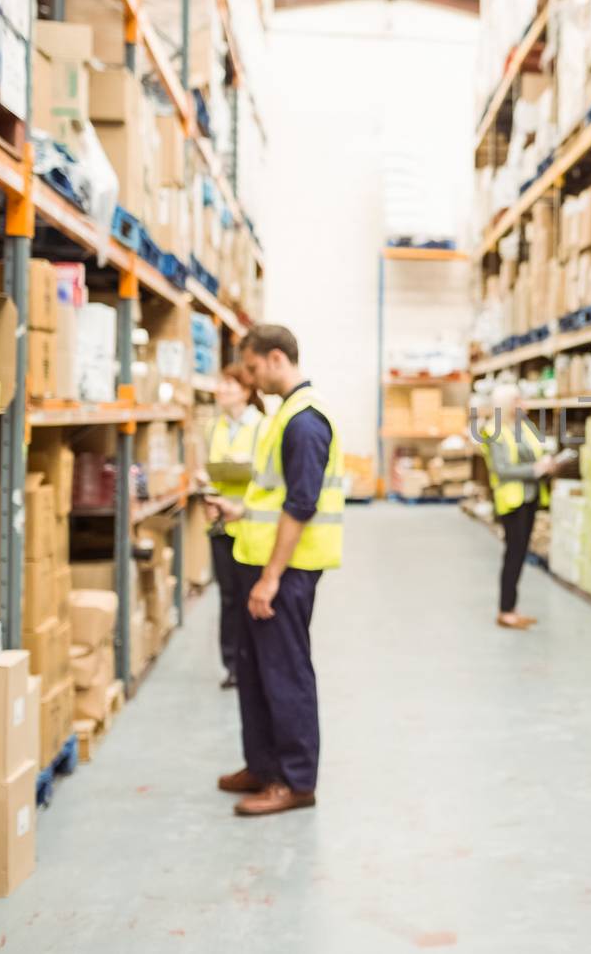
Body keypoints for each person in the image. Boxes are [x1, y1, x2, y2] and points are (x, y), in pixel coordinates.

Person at [204, 324, 345, 818]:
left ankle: (296, 780)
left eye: (254, 366)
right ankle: (263, 765)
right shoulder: (285, 415)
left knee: (285, 672)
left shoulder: (306, 421)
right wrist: (238, 510)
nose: (250, 376)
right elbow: (273, 495)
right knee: (255, 668)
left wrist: (270, 579)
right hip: (258, 558)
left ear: (278, 358)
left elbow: (301, 505)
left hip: (286, 571)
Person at [479, 383, 559, 630]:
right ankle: (505, 610)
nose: (522, 403)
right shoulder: (493, 431)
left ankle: (512, 608)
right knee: (513, 554)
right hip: (512, 501)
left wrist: (548, 463)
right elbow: (502, 470)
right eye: (517, 400)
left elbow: (535, 452)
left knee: (520, 552)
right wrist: (535, 470)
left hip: (531, 497)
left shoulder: (523, 427)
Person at [203, 363, 263, 690]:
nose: (222, 390)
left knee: (248, 596)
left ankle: (252, 661)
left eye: (230, 384)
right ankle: (232, 665)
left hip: (250, 523)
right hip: (221, 524)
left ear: (246, 389)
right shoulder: (214, 428)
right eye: (220, 384)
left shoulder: (262, 426)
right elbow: (209, 468)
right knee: (227, 598)